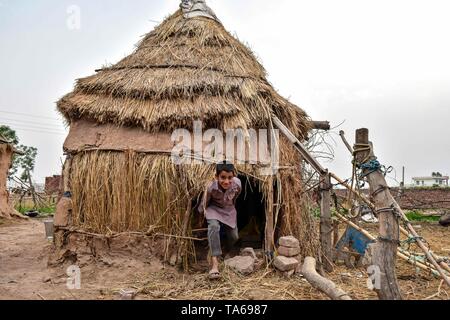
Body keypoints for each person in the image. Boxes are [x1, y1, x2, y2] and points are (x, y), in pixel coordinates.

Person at [198, 161, 242, 280]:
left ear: (233, 177)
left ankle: (224, 251)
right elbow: (205, 202)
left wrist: (231, 206)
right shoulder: (211, 187)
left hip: (229, 209)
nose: (226, 181)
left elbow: (236, 197)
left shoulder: (237, 184)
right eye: (223, 177)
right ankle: (215, 264)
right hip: (214, 209)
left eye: (229, 178)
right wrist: (201, 215)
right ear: (216, 177)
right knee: (214, 227)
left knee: (234, 236)